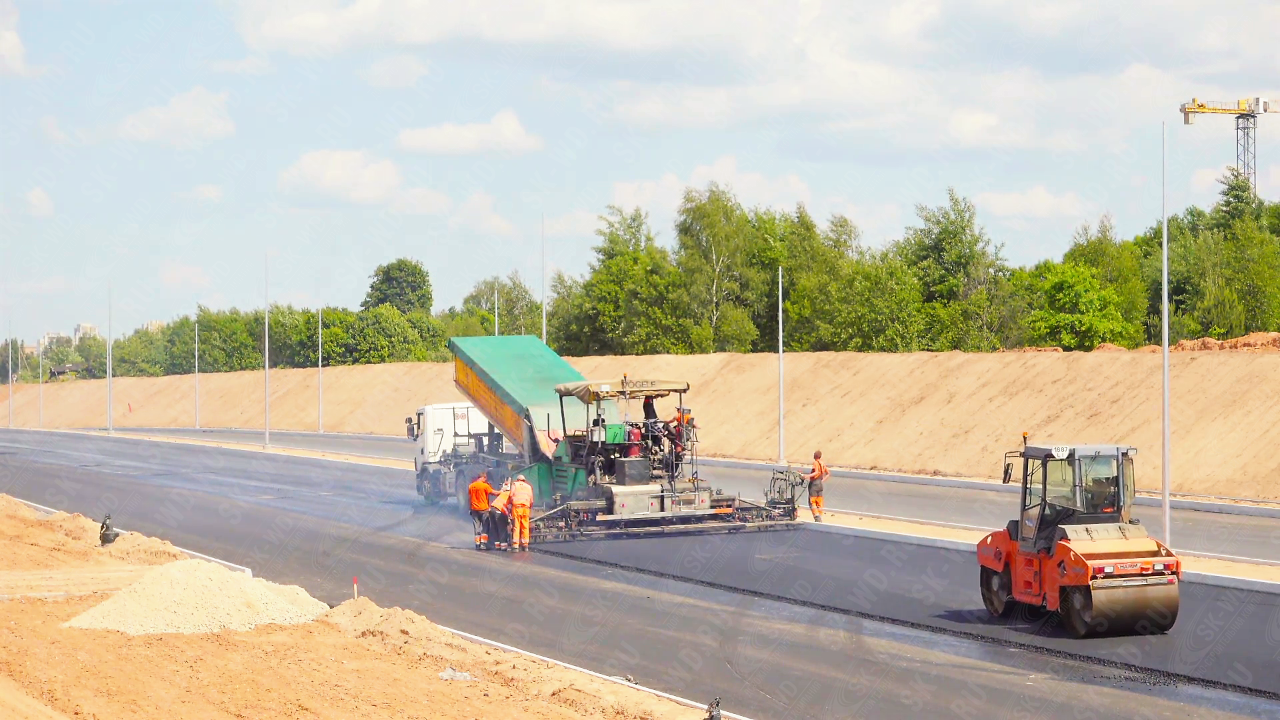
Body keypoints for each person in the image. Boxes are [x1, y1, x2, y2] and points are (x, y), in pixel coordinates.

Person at [468, 472, 497, 549]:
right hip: (484, 509)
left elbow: (469, 498)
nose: (485, 480)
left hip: (474, 509)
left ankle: (477, 544)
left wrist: (469, 508)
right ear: (483, 477)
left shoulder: (471, 486)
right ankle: (483, 544)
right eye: (485, 478)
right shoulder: (485, 486)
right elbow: (494, 493)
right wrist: (502, 491)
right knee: (485, 526)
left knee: (476, 527)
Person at [803, 450, 830, 522]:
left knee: (812, 501)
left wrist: (807, 476)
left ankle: (817, 518)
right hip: (820, 484)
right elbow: (828, 473)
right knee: (819, 501)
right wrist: (822, 481)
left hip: (814, 484)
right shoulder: (822, 463)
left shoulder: (815, 463)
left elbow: (816, 472)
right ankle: (820, 516)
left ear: (815, 456)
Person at [510, 474, 535, 551]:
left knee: (516, 526)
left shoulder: (515, 484)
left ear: (518, 480)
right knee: (525, 526)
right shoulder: (528, 486)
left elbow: (511, 495)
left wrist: (511, 503)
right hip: (526, 508)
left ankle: (515, 545)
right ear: (524, 480)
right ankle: (525, 545)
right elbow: (531, 500)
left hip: (517, 508)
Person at [489, 480, 513, 550]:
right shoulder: (510, 494)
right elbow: (509, 507)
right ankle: (503, 547)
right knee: (502, 528)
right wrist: (509, 519)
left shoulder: (503, 493)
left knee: (495, 528)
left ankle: (497, 546)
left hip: (492, 509)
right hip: (499, 510)